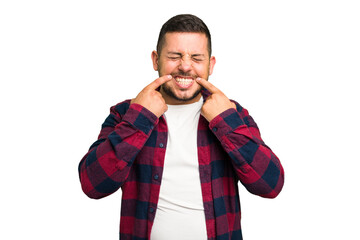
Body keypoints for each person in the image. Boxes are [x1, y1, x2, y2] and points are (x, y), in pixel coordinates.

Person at [78, 14, 284, 240]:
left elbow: (270, 185)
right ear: (156, 60)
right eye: (175, 56)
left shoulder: (232, 114)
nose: (185, 66)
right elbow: (93, 185)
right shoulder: (125, 114)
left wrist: (225, 122)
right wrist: (140, 119)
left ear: (210, 64)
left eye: (196, 58)